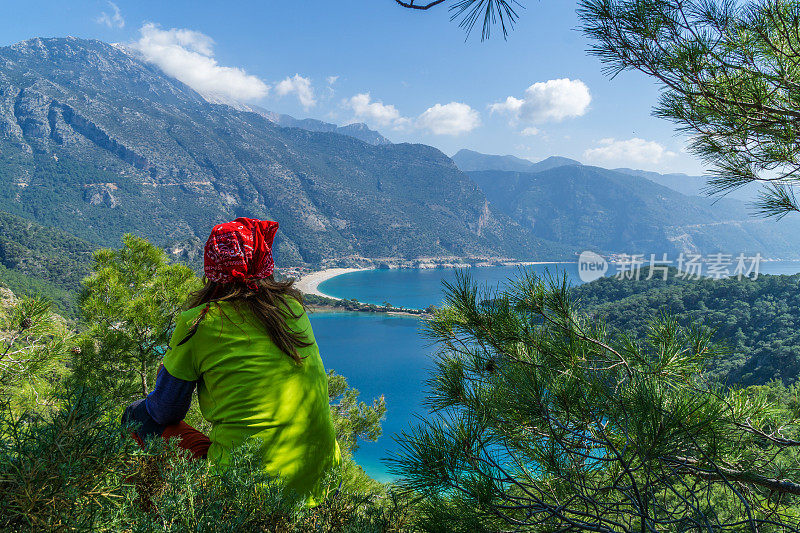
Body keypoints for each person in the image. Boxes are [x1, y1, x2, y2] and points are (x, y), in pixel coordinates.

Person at [122, 217, 340, 504]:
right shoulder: (292, 308)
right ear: (264, 260)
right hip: (323, 481)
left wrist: (168, 372)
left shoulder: (199, 323)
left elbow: (165, 412)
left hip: (245, 490)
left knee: (136, 415)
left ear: (212, 266)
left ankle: (141, 510)